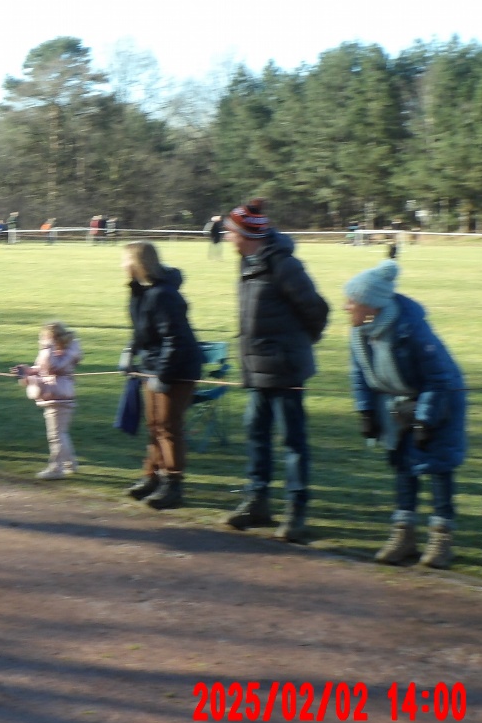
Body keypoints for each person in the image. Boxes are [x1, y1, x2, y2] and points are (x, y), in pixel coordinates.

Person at [222, 198, 330, 542]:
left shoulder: (284, 265)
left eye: (230, 230)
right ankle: (258, 501)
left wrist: (294, 348)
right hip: (256, 369)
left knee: (292, 442)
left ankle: (296, 512)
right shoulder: (247, 262)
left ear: (245, 234)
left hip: (285, 369)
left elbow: (316, 309)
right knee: (256, 435)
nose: (227, 236)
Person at [346, 258, 465, 568]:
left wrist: (425, 420)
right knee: (402, 466)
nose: (346, 306)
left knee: (436, 467)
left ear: (371, 305)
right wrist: (365, 411)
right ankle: (404, 536)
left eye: (352, 301)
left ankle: (441, 539)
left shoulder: (412, 331)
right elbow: (359, 374)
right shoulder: (359, 333)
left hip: (440, 402)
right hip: (396, 407)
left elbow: (440, 378)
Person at [121, 241, 204, 509]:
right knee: (154, 425)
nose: (122, 265)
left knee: (169, 426)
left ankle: (173, 484)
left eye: (125, 260)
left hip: (177, 368)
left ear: (138, 263)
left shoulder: (164, 295)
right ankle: (152, 476)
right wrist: (129, 352)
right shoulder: (142, 293)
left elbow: (175, 340)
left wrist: (164, 377)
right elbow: (140, 328)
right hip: (152, 365)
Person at [12, 322, 83, 480]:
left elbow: (52, 368)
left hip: (59, 397)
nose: (41, 341)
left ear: (53, 339)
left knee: (56, 435)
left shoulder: (64, 353)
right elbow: (42, 368)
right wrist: (27, 371)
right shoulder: (54, 351)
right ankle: (70, 463)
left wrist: (46, 348)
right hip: (55, 396)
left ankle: (56, 468)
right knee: (60, 433)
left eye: (44, 338)